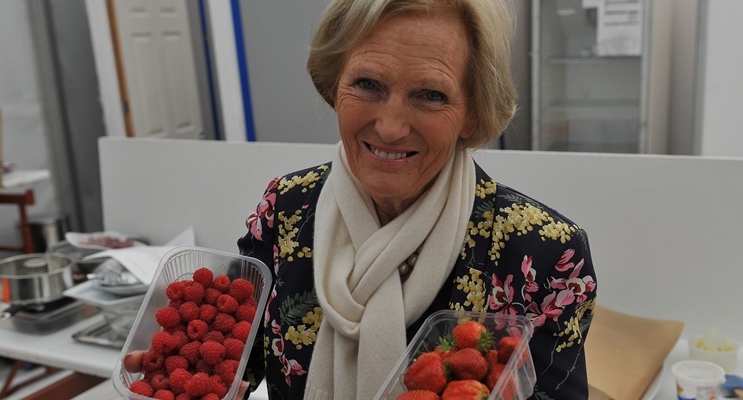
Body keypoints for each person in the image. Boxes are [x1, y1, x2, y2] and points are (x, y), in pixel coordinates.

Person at [237, 1, 597, 399]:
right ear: (334, 86)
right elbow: (233, 359)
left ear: (472, 114)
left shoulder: (544, 252)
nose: (390, 128)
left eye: (430, 94)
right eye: (367, 84)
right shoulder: (285, 209)